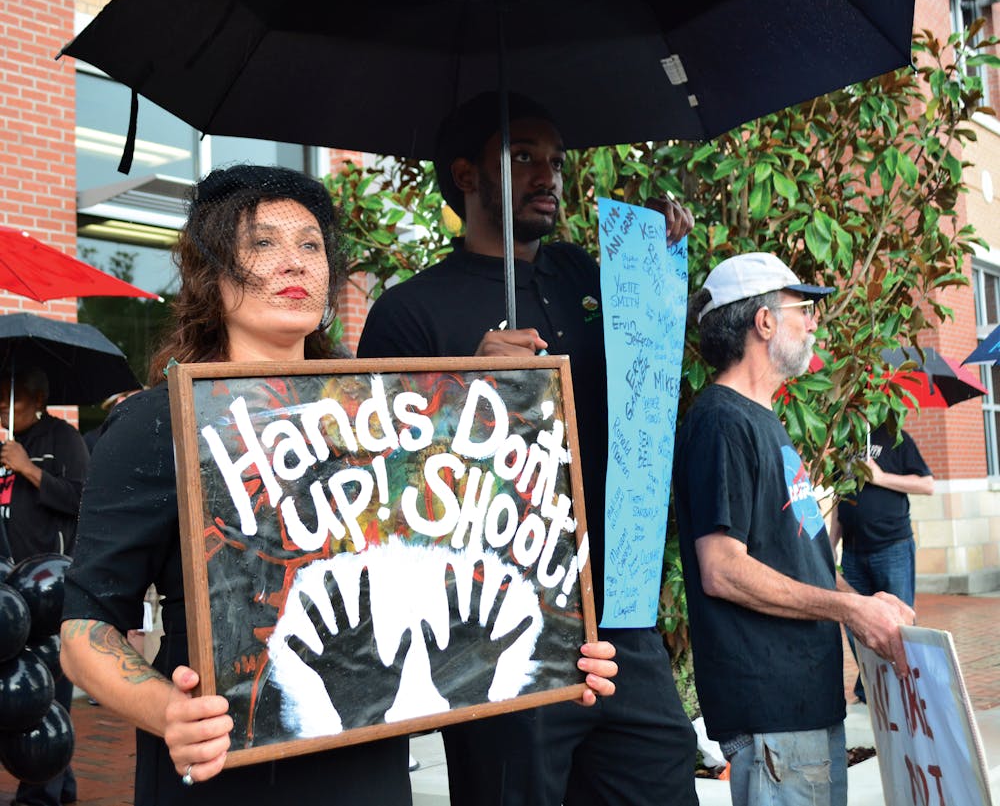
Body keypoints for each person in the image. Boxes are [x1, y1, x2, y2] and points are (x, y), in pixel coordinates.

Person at [60, 164, 615, 806]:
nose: (293, 263)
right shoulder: (159, 423)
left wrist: (551, 647)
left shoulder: (376, 415)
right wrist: (167, 714)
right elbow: (85, 627)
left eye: (311, 245)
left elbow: (468, 552)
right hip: (228, 774)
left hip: (366, 768)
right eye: (262, 244)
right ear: (210, 274)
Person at [358, 92, 698, 806]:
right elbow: (384, 492)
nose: (547, 176)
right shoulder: (408, 313)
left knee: (663, 774)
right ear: (466, 175)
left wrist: (657, 259)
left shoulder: (588, 277)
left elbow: (648, 371)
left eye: (555, 161)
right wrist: (464, 388)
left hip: (619, 619)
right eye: (521, 158)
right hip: (496, 636)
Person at [673, 251, 917, 806]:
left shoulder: (766, 423)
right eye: (803, 309)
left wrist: (866, 603)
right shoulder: (721, 422)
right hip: (770, 711)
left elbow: (808, 560)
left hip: (806, 704)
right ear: (763, 322)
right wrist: (850, 612)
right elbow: (722, 569)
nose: (813, 323)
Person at [0, 366, 88, 806]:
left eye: (9, 400)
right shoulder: (2, 443)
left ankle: (41, 795)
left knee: (47, 695)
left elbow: (83, 499)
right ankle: (59, 779)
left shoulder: (62, 439)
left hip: (45, 591)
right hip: (5, 592)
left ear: (36, 400)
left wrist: (28, 470)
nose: (1, 408)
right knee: (18, 695)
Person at [830, 420, 934, 703]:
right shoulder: (844, 440)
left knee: (899, 624)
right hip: (852, 552)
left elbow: (927, 484)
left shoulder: (896, 438)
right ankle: (872, 686)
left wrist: (879, 477)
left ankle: (911, 686)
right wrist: (831, 542)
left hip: (893, 548)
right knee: (855, 623)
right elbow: (840, 498)